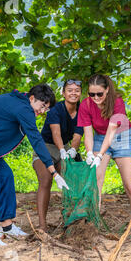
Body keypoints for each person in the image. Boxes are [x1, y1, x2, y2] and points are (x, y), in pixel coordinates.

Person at [0, 85, 69, 246]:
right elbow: (36, 140)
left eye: (47, 108)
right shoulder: (23, 108)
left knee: (6, 176)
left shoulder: (23, 104)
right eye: (42, 105)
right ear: (32, 98)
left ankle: (7, 226)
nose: (43, 111)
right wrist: (54, 172)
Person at [77, 74, 131, 237]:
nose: (95, 98)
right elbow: (88, 133)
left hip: (122, 137)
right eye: (92, 94)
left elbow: (112, 132)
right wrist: (89, 153)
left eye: (99, 94)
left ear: (107, 90)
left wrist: (100, 155)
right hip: (100, 138)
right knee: (96, 182)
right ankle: (93, 228)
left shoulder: (117, 102)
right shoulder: (86, 105)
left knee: (130, 186)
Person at [32, 79, 84, 232]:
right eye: (70, 90)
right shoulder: (56, 109)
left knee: (70, 179)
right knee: (46, 180)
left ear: (81, 93)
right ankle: (42, 225)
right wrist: (62, 150)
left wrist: (71, 151)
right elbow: (56, 133)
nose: (73, 93)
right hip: (46, 147)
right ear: (63, 93)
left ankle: (71, 220)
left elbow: (77, 136)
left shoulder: (82, 111)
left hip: (66, 147)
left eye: (77, 90)